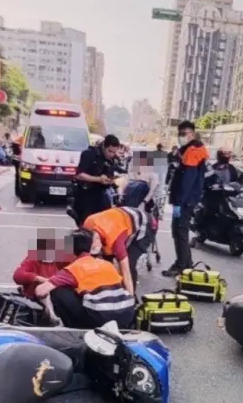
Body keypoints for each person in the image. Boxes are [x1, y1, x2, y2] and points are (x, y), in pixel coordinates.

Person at [34, 229, 137, 329]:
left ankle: (63, 324)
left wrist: (48, 283)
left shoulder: (73, 268)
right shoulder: (107, 264)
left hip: (101, 320)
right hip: (126, 316)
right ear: (90, 247)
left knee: (58, 290)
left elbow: (40, 291)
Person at [162, 120, 209, 278]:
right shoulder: (188, 150)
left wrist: (179, 203)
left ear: (192, 134)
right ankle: (185, 263)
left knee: (180, 230)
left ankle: (182, 266)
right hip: (185, 199)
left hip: (185, 200)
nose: (181, 136)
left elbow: (187, 180)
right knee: (178, 230)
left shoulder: (194, 151)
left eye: (184, 134)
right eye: (180, 134)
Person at [83, 205, 158, 294]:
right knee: (107, 261)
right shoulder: (87, 224)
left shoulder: (115, 240)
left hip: (147, 225)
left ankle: (131, 296)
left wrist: (130, 297)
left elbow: (126, 271)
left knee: (129, 263)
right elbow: (71, 244)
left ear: (98, 240)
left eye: (94, 248)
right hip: (122, 218)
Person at [72, 134, 120, 224]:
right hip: (86, 194)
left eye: (114, 152)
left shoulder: (112, 159)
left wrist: (111, 180)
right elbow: (79, 175)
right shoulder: (89, 154)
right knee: (86, 223)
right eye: (109, 151)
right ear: (104, 146)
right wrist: (98, 179)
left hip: (101, 195)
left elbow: (111, 174)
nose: (111, 154)